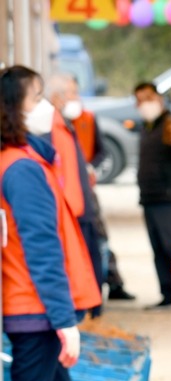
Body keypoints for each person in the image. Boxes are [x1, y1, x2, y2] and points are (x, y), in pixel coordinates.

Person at [0, 65, 102, 381]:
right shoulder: (21, 168)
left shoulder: (22, 159)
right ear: (12, 110)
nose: (46, 107)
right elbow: (41, 249)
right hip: (33, 308)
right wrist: (64, 320)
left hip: (33, 305)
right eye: (35, 98)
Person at [55, 73, 136, 302]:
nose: (73, 97)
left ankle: (112, 282)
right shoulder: (54, 123)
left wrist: (91, 167)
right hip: (66, 192)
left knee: (99, 236)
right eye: (69, 92)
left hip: (86, 189)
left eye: (75, 92)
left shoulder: (88, 119)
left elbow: (101, 151)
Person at [45, 72, 106, 315]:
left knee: (92, 258)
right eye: (71, 93)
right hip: (73, 210)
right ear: (57, 97)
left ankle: (93, 309)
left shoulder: (73, 123)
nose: (75, 98)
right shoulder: (52, 128)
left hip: (83, 206)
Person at [134, 80, 171, 309]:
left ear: (159, 98)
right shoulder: (147, 126)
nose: (145, 104)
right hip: (149, 197)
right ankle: (168, 295)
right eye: (140, 100)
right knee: (159, 249)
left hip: (169, 197)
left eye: (148, 98)